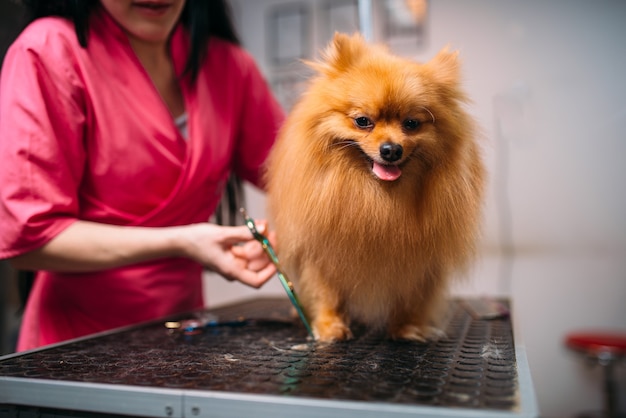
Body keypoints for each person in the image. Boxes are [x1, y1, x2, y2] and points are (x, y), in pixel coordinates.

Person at [0, 0, 285, 351]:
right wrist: (183, 241)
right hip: (75, 346)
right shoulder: (48, 49)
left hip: (184, 341)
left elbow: (300, 175)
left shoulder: (228, 65)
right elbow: (30, 237)